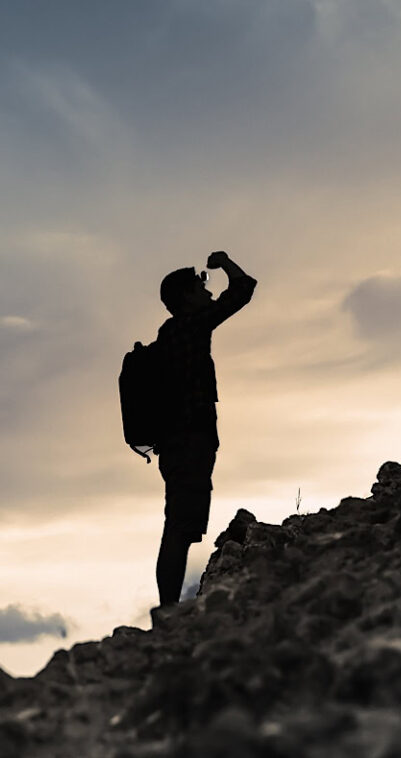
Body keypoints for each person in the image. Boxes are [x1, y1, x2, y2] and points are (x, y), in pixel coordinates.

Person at [151, 250, 256, 606]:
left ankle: (168, 609)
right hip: (188, 443)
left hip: (178, 444)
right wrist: (225, 261)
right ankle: (167, 611)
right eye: (200, 287)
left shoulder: (170, 335)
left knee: (179, 526)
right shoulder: (189, 327)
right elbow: (242, 290)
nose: (207, 291)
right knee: (179, 529)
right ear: (185, 298)